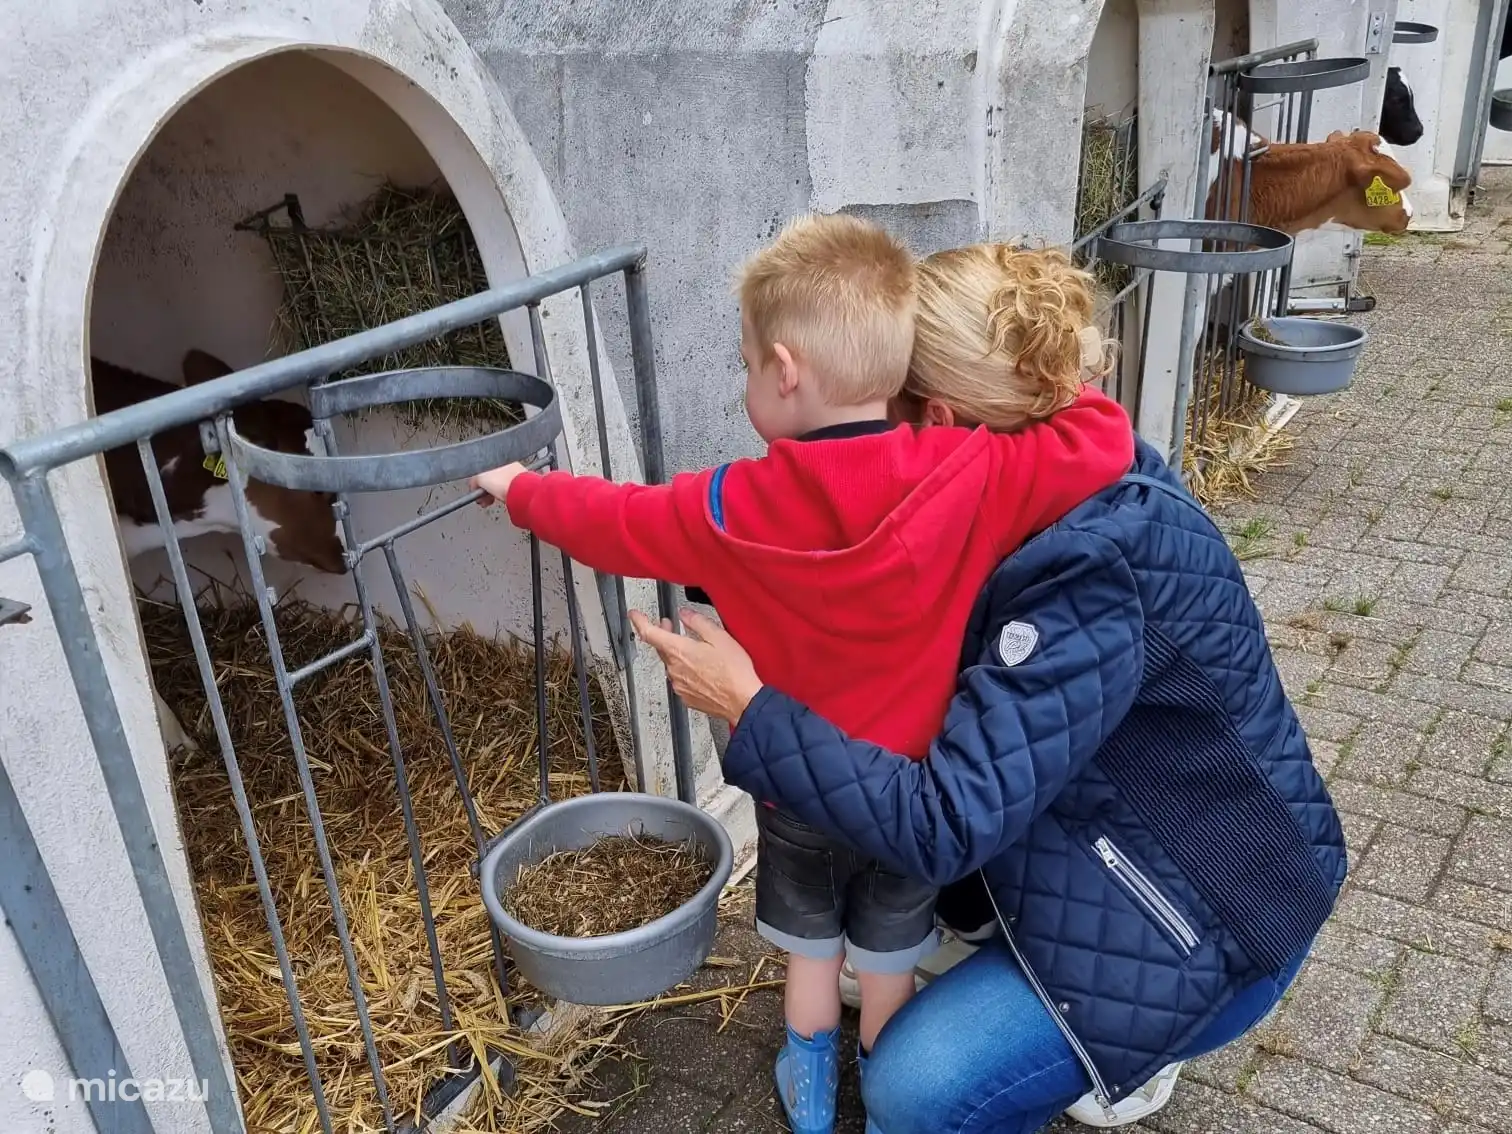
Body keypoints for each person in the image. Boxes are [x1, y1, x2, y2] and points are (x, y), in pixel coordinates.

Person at [627, 242, 1347, 1134]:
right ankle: (1017, 984)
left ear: (937, 414)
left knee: (914, 1093)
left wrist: (750, 707)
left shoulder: (1085, 573)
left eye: (881, 409)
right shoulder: (1053, 469)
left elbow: (945, 823)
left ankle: (1135, 1051)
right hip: (1118, 848)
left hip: (1201, 920)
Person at [469, 218, 1136, 1134]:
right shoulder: (976, 470)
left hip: (795, 794)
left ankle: (810, 1084)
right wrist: (1053, 366)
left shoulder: (726, 505)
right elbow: (1101, 440)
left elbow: (613, 519)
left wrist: (520, 491)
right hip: (910, 793)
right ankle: (885, 1075)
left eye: (746, 366)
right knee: (890, 965)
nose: (748, 382)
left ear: (786, 371)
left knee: (813, 959)